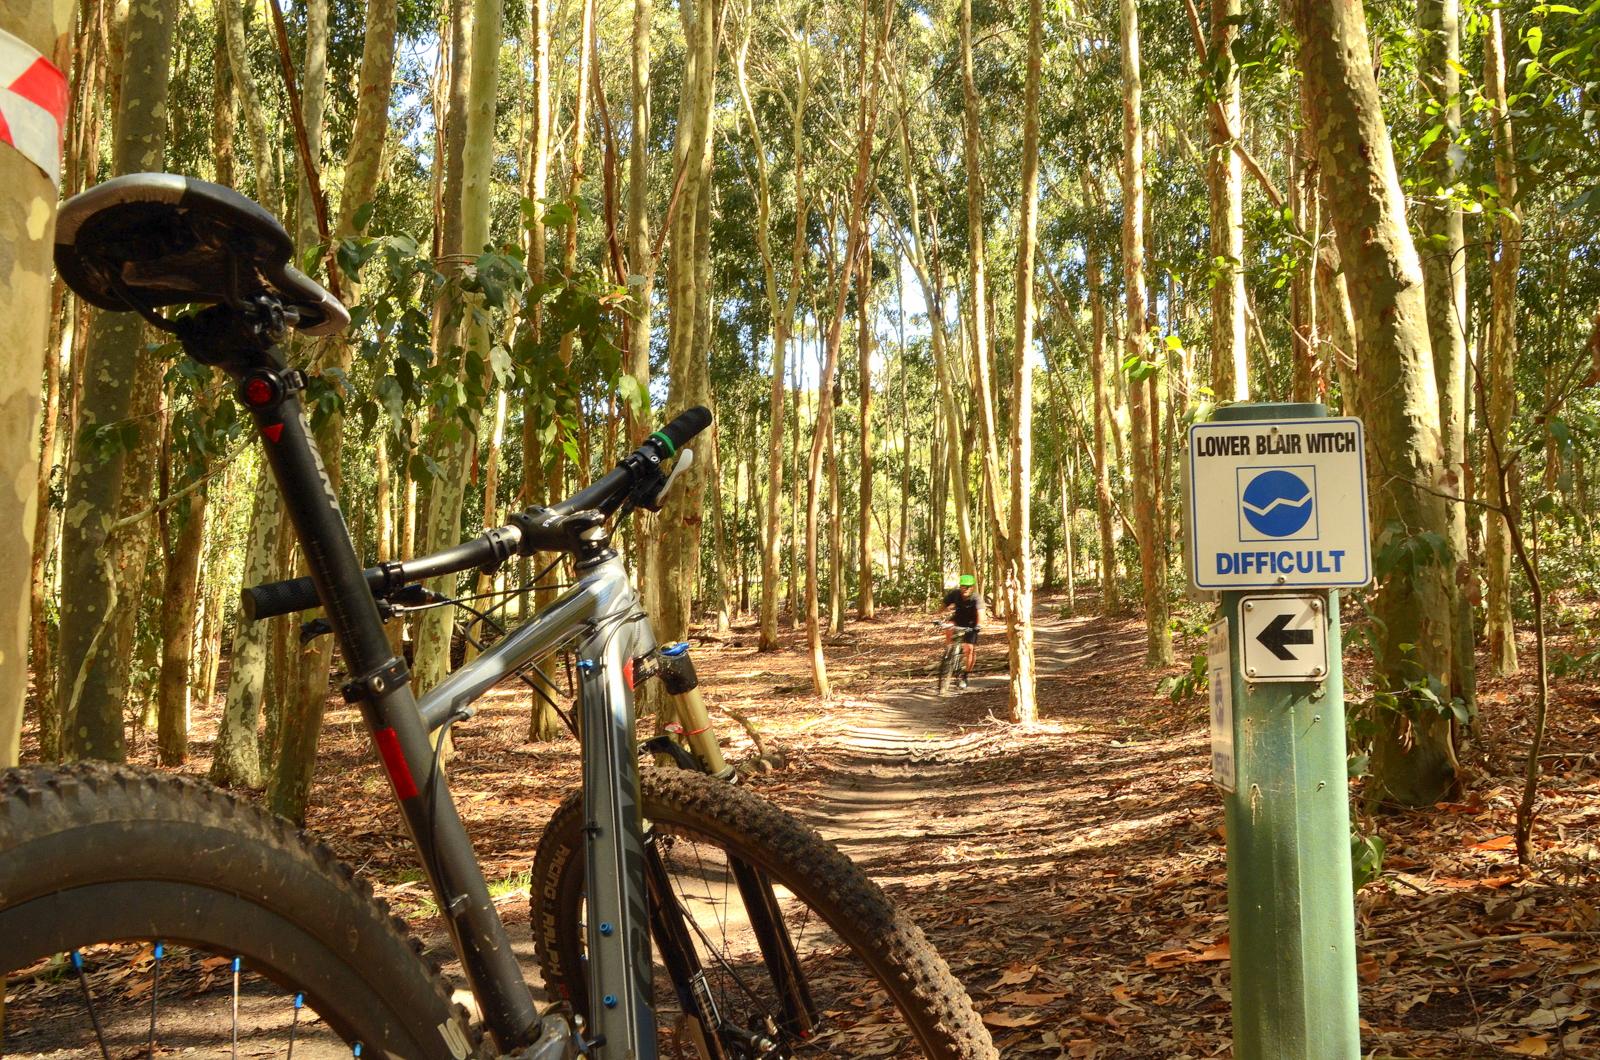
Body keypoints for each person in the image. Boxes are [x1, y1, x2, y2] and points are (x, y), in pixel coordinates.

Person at [941, 574, 980, 688]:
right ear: (960, 586)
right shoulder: (955, 594)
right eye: (964, 586)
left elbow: (981, 614)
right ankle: (949, 650)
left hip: (971, 624)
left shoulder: (976, 598)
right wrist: (937, 615)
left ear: (972, 587)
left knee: (969, 649)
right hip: (958, 620)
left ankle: (965, 676)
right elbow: (943, 605)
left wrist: (978, 625)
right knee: (948, 625)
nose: (966, 589)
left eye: (968, 586)